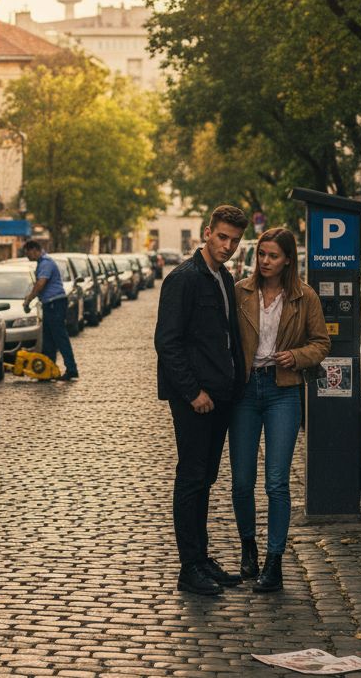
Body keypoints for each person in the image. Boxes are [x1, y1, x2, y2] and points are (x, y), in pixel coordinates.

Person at [154, 204, 249, 595]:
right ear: (207, 233)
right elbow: (167, 342)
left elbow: (226, 338)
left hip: (220, 396)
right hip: (195, 399)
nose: (227, 246)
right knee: (192, 478)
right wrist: (193, 392)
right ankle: (189, 566)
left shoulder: (223, 277)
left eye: (234, 240)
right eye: (222, 237)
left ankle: (202, 558)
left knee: (206, 478)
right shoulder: (184, 279)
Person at [230, 227, 330, 592]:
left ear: (288, 259)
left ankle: (274, 562)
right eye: (261, 254)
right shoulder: (240, 292)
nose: (265, 261)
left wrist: (297, 356)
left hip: (282, 391)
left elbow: (321, 343)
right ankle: (248, 547)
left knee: (276, 481)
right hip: (244, 391)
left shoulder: (304, 297)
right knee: (242, 481)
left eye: (273, 256)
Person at [23, 239, 78, 381]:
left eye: (28, 253)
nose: (27, 257)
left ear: (34, 250)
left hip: (55, 304)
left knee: (59, 337)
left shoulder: (46, 263)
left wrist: (29, 299)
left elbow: (41, 283)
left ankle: (71, 369)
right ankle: (47, 370)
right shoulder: (42, 263)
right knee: (48, 339)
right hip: (50, 304)